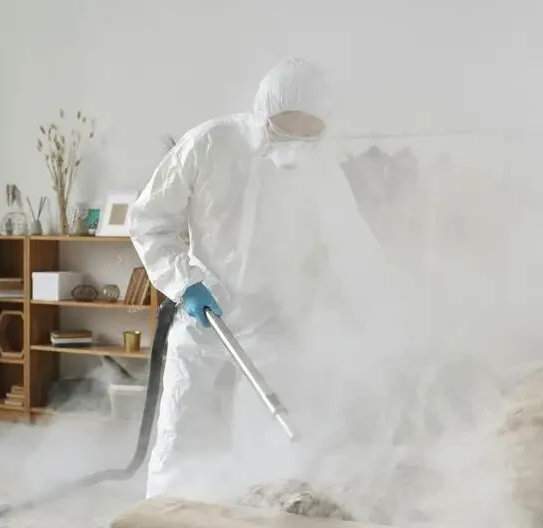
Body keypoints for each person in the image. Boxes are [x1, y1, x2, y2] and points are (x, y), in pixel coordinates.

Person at [128, 57, 385, 499]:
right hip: (206, 315)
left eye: (309, 134)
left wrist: (383, 319)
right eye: (286, 130)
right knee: (181, 431)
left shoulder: (323, 172)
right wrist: (183, 280)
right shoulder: (209, 144)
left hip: (275, 322)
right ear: (264, 113)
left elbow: (354, 251)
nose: (296, 143)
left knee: (268, 444)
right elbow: (150, 220)